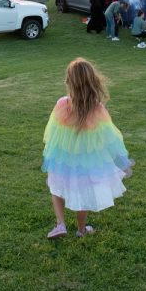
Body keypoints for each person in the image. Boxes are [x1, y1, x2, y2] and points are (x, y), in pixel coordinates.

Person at [42, 58, 133, 239]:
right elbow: (109, 136)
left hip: (63, 157)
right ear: (92, 81)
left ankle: (60, 224)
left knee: (56, 185)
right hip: (86, 160)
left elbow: (52, 131)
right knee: (81, 190)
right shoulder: (97, 108)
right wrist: (116, 157)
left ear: (70, 81)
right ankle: (81, 230)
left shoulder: (62, 104)